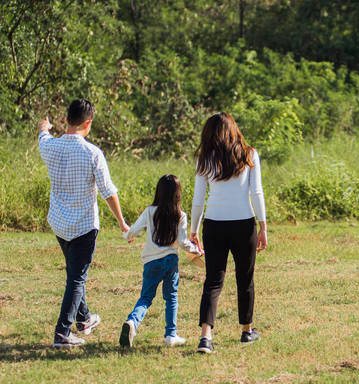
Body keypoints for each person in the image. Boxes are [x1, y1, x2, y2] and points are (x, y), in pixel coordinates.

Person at [38, 99, 129, 348]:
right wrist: (122, 222)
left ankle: (85, 319)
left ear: (66, 119)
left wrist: (44, 126)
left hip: (59, 223)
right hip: (83, 226)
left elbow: (43, 135)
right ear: (88, 123)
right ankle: (62, 333)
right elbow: (108, 191)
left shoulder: (49, 147)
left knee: (75, 272)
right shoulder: (92, 153)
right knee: (77, 278)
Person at [190, 112, 268, 354]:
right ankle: (247, 331)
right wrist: (263, 224)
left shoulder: (205, 159)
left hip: (214, 224)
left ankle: (206, 337)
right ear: (234, 130)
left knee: (213, 280)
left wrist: (194, 229)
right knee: (245, 278)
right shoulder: (249, 154)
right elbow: (257, 193)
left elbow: (198, 199)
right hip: (244, 224)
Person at [119, 174, 203, 347]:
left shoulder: (150, 211)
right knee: (171, 297)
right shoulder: (180, 215)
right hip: (170, 261)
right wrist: (197, 250)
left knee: (146, 297)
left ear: (159, 192)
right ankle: (171, 335)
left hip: (151, 262)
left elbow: (133, 230)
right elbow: (182, 242)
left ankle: (132, 323)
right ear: (177, 194)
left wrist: (127, 235)